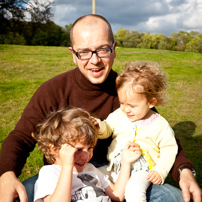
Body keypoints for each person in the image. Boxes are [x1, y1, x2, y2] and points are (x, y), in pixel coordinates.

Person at [0, 14, 201, 202]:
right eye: (84, 52)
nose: (94, 60)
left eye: (103, 49)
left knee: (174, 197)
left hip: (117, 175)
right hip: (63, 175)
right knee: (15, 196)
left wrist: (184, 170)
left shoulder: (127, 89)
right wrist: (6, 173)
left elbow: (160, 131)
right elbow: (21, 136)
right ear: (73, 54)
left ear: (114, 49)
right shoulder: (53, 90)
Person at [92, 61, 179, 202]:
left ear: (151, 102)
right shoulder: (119, 115)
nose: (126, 109)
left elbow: (169, 150)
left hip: (142, 171)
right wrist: (99, 126)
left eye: (132, 105)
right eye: (122, 103)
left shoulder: (160, 125)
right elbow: (107, 128)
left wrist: (160, 171)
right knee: (91, 173)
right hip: (115, 167)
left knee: (134, 191)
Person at [32, 107, 141, 202]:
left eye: (90, 148)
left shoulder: (91, 169)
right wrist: (67, 167)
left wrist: (126, 162)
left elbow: (117, 196)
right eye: (78, 150)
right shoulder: (50, 173)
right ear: (54, 149)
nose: (86, 156)